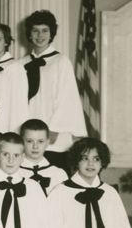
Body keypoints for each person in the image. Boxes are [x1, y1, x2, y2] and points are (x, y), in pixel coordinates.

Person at [20, 9, 87, 152]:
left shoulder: (60, 61)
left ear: (51, 33)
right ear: (29, 34)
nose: (40, 35)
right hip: (27, 133)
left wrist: (54, 129)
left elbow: (67, 98)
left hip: (53, 135)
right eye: (35, 31)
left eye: (45, 30)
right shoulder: (20, 64)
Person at [20, 119, 65, 194]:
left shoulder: (59, 174)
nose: (35, 146)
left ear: (47, 142)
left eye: (40, 141)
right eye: (29, 141)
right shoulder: (14, 171)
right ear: (21, 142)